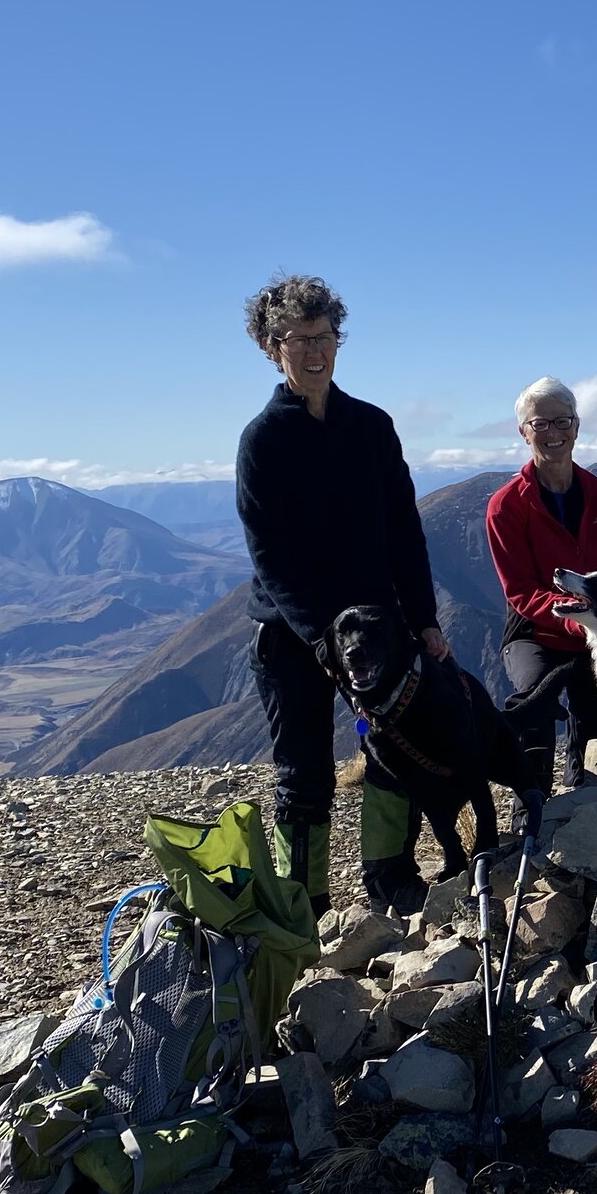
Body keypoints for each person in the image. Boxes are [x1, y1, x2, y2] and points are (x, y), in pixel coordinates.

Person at [235, 274, 449, 916]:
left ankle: (391, 885)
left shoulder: (372, 427)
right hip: (292, 634)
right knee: (303, 776)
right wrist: (316, 636)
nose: (315, 351)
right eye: (299, 339)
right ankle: (302, 910)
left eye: (325, 336)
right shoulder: (263, 440)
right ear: (273, 347)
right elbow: (268, 553)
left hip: (379, 630)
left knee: (392, 755)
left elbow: (404, 529)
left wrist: (426, 620)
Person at [485, 377, 597, 790]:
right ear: (524, 432)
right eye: (541, 424)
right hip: (534, 631)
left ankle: (587, 803)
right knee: (535, 698)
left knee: (596, 715)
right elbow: (520, 590)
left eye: (562, 422)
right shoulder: (506, 506)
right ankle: (530, 808)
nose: (553, 433)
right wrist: (579, 620)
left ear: (577, 427)